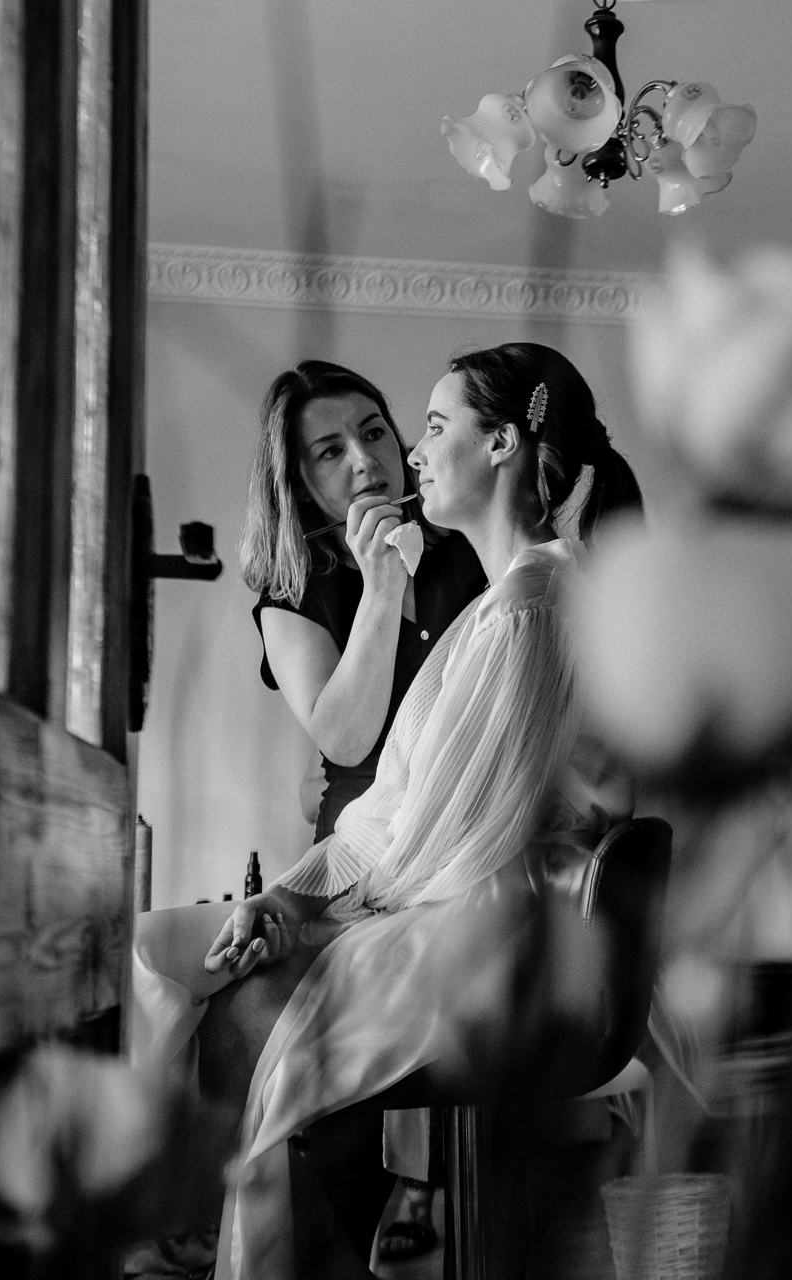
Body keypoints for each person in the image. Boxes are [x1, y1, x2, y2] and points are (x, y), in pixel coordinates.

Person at [132, 342, 642, 1280]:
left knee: (246, 1019)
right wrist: (292, 900)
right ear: (296, 477)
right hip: (391, 879)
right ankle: (178, 1205)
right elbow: (372, 780)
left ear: (500, 446)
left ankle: (260, 1228)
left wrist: (314, 917)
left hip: (457, 909)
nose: (393, 457)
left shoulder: (524, 602)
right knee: (169, 958)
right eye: (330, 450)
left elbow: (459, 827)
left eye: (417, 428)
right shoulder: (498, 595)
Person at [239, 360, 489, 1258]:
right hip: (360, 858)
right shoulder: (292, 582)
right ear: (297, 477)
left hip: (469, 842)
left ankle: (436, 1211)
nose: (365, 460)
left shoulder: (467, 542)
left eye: (376, 431)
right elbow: (345, 739)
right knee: (331, 1058)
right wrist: (379, 585)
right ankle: (368, 1233)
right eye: (330, 450)